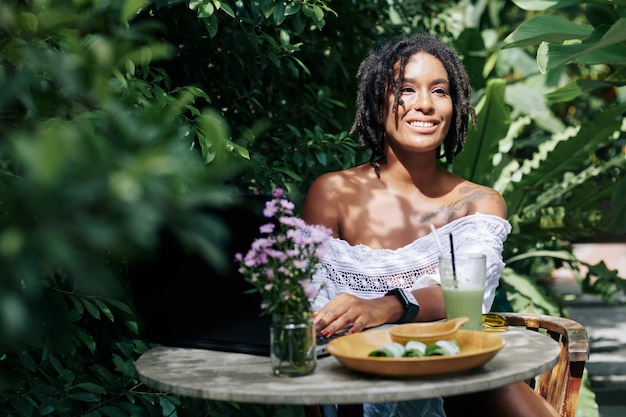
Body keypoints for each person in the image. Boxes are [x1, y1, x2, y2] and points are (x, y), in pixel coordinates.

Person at [300, 33, 559, 417]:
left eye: (440, 91)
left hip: (460, 383)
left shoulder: (479, 204)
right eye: (406, 89)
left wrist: (389, 306)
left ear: (455, 106)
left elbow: (467, 299)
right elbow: (303, 303)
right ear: (378, 102)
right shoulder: (333, 193)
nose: (424, 104)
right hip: (352, 382)